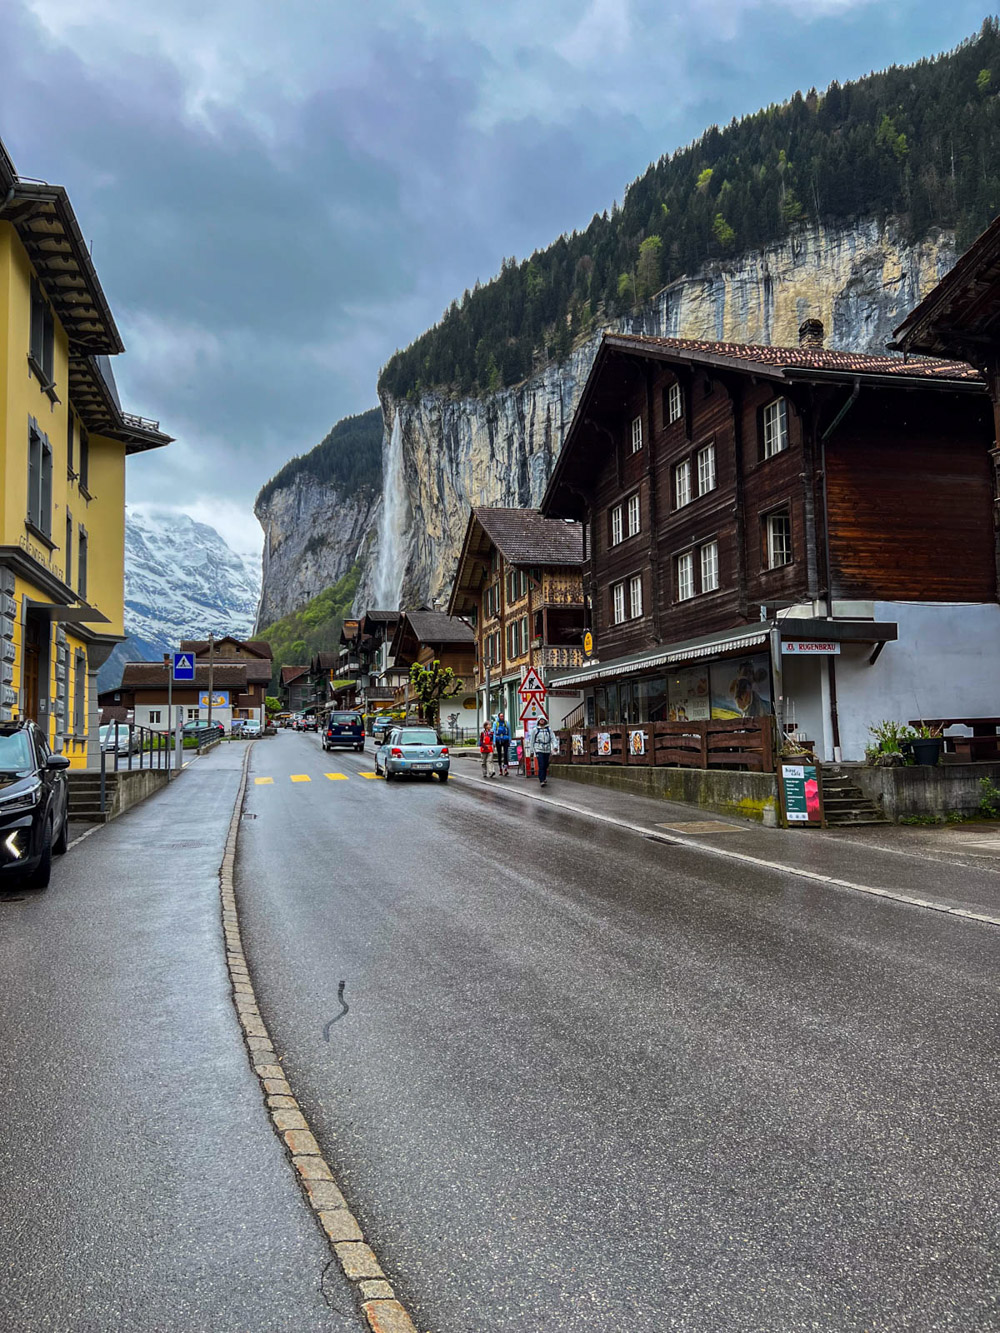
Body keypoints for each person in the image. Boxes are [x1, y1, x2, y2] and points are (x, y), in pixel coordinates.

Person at [530, 718, 553, 787]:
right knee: (541, 764)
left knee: (545, 764)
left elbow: (553, 738)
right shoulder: (535, 730)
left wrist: (554, 746)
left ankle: (544, 777)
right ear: (538, 721)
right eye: (540, 720)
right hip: (539, 749)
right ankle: (541, 780)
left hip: (547, 749)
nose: (542, 721)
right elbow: (532, 740)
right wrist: (532, 750)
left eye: (543, 720)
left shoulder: (548, 729)